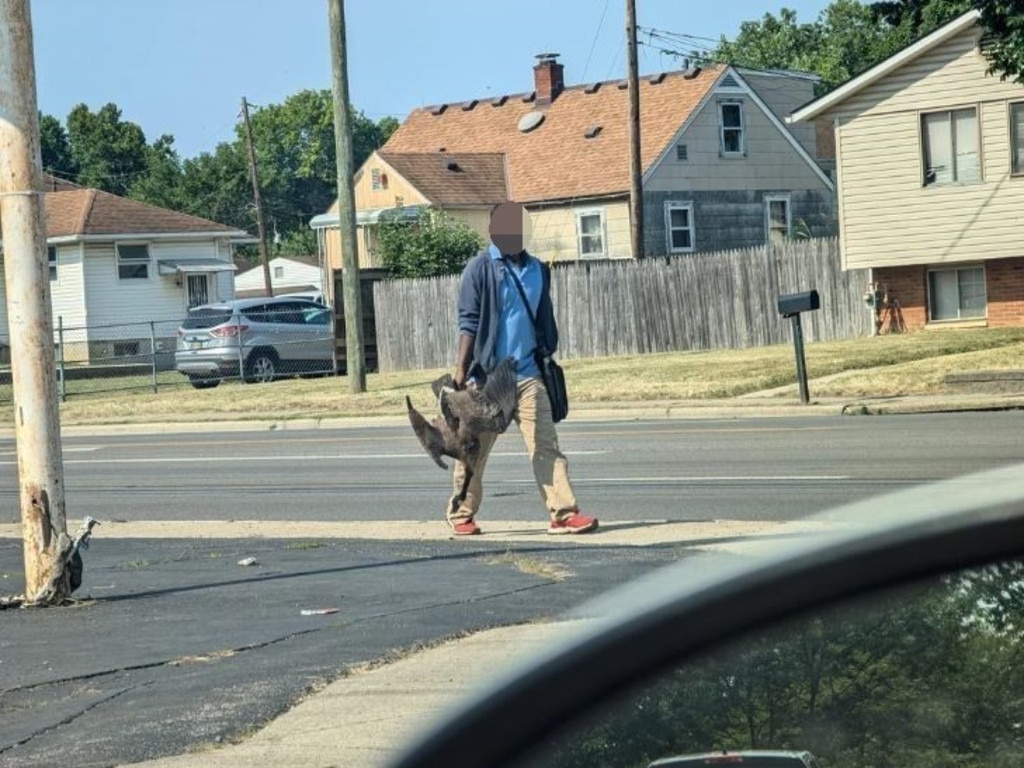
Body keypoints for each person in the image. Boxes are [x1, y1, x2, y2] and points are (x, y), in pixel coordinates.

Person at [445, 201, 598, 536]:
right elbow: (468, 322)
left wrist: (547, 354)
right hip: (487, 379)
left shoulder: (538, 270)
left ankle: (563, 513)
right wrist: (460, 372)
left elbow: (544, 319)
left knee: (546, 445)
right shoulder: (479, 268)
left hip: (528, 374)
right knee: (474, 451)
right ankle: (461, 514)